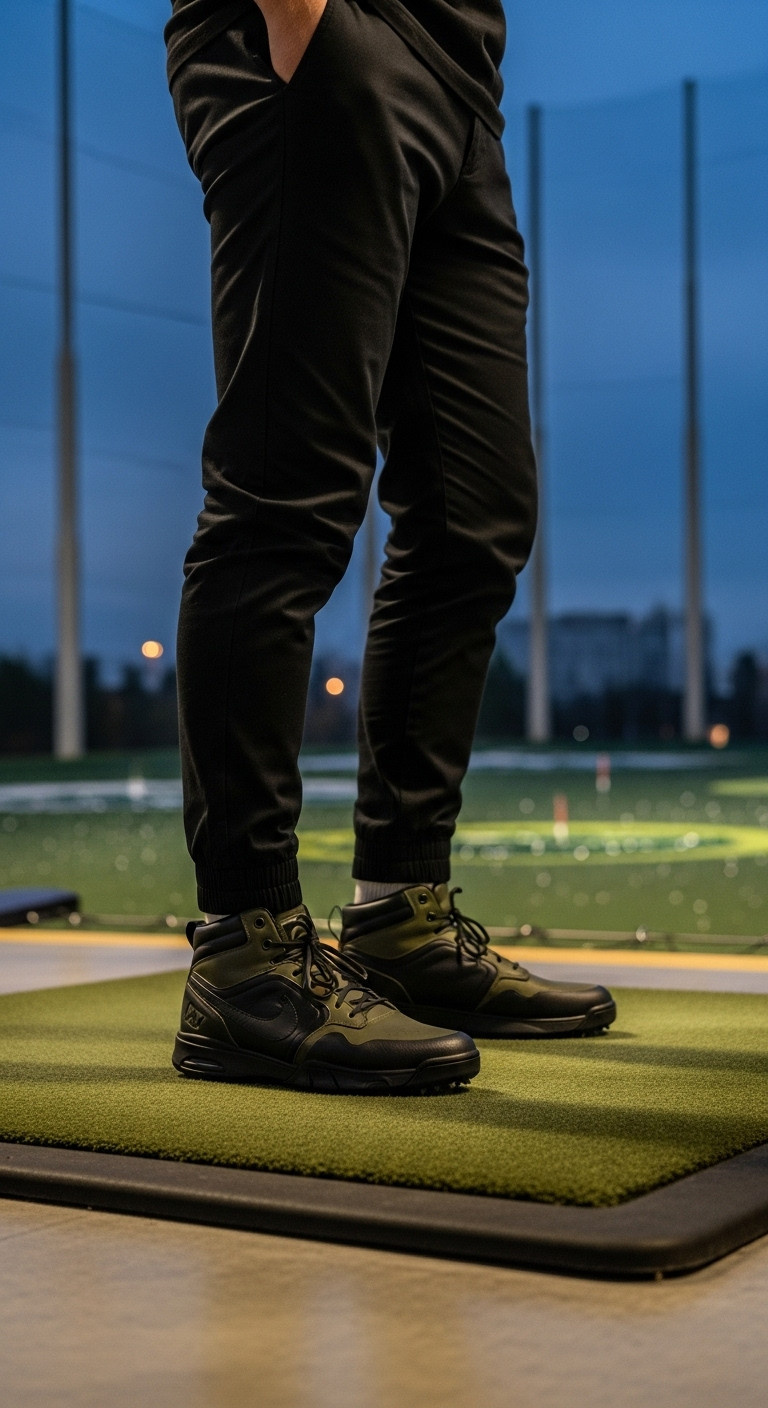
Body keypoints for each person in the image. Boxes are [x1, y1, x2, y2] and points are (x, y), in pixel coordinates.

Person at [163, 0, 616, 1095]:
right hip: (325, 33)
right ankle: (245, 950)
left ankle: (400, 917)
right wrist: (303, 18)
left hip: (462, 85)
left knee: (477, 515)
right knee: (289, 496)